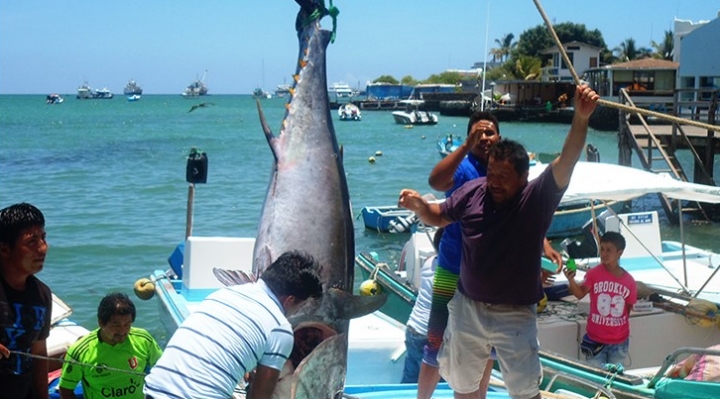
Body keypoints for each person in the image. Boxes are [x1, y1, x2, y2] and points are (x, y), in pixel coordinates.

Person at [398, 84, 599, 399]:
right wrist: (420, 207)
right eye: (491, 174)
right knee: (462, 385)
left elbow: (567, 159)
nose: (494, 183)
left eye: (503, 177)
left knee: (524, 390)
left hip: (515, 313)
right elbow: (439, 215)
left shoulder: (536, 197)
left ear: (523, 178)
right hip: (468, 308)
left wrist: (581, 118)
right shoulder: (474, 189)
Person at [417, 111, 564, 399]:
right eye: (477, 133)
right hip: (452, 269)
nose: (484, 138)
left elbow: (526, 219)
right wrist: (464, 146)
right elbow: (436, 181)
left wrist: (543, 245)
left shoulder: (509, 173)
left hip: (493, 281)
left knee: (486, 351)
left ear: (500, 138)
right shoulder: (464, 168)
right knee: (435, 342)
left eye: (489, 133)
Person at [143, 250, 323, 399]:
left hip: (153, 390)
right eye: (301, 306)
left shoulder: (224, 293)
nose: (297, 312)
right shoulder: (280, 328)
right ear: (289, 300)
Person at [58, 292, 163, 399]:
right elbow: (66, 388)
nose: (122, 331)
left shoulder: (144, 339)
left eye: (127, 324)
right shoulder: (80, 351)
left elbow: (164, 369)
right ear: (101, 323)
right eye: (116, 325)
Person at [0, 202, 52, 399]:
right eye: (32, 242)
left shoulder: (42, 295)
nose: (43, 248)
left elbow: (39, 352)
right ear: (5, 249)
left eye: (43, 238)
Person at [564, 232, 637, 368]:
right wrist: (571, 280)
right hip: (595, 340)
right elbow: (579, 294)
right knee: (594, 377)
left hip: (619, 341)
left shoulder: (629, 281)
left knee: (615, 379)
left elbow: (628, 309)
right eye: (602, 249)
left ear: (619, 253)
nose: (604, 254)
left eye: (609, 250)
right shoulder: (593, 274)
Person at [401, 227, 443, 383]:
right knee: (434, 382)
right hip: (431, 335)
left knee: (410, 378)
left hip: (413, 328)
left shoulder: (429, 262)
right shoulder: (452, 274)